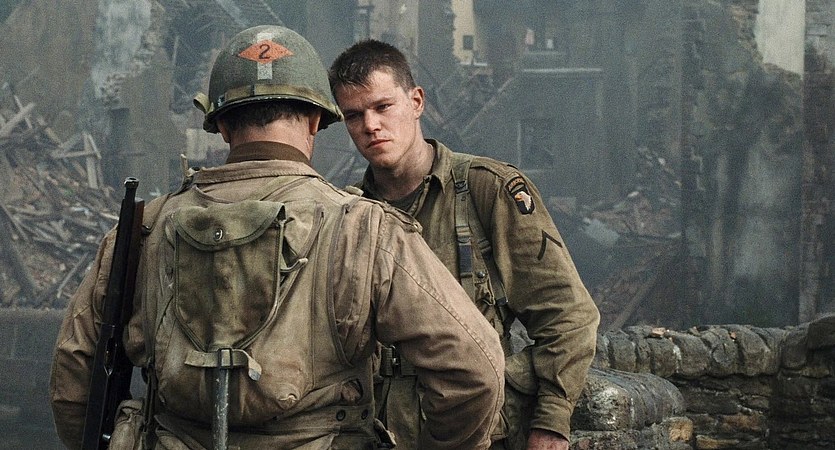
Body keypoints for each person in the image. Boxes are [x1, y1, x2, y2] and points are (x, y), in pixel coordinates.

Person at [50, 25, 504, 450]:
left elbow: (74, 380)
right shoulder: (363, 228)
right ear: (315, 120)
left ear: (221, 126)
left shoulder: (144, 229)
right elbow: (474, 370)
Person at [329, 40, 600, 450]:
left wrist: (550, 421)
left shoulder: (486, 190)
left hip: (480, 432)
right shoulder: (348, 214)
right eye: (354, 115)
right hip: (379, 435)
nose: (370, 125)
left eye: (383, 107)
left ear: (416, 102)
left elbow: (568, 316)